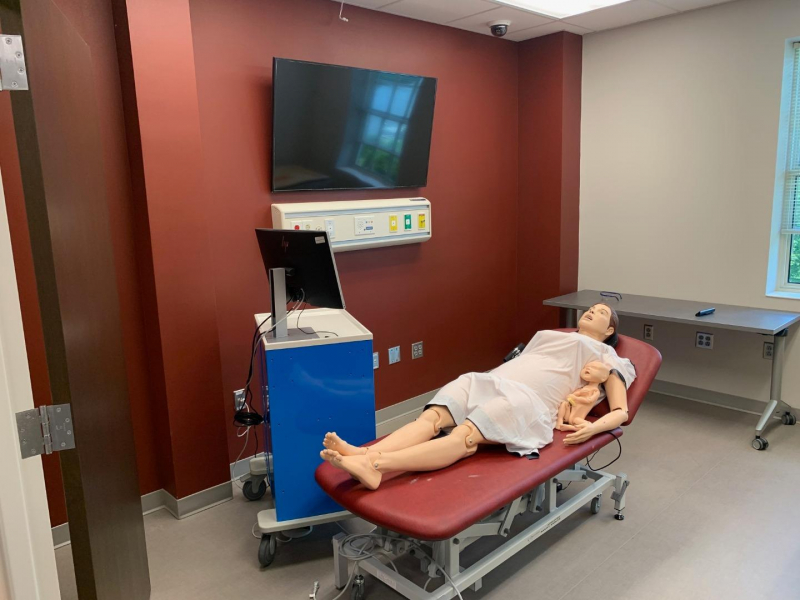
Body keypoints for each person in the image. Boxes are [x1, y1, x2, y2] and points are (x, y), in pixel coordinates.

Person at [320, 303, 636, 490]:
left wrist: (592, 428)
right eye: (591, 308)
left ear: (609, 331)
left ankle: (376, 465)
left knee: (465, 436)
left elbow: (620, 411)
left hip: (528, 402)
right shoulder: (550, 335)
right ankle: (363, 453)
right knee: (432, 418)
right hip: (490, 380)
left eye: (601, 312)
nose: (591, 311)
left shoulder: (608, 358)